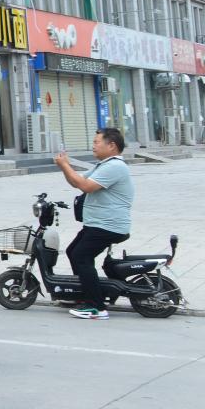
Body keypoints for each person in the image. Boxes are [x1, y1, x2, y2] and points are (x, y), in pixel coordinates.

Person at [53, 127, 135, 320]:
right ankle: (83, 295)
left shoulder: (115, 166)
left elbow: (86, 186)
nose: (93, 146)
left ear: (112, 145)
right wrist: (64, 167)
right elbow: (78, 181)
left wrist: (65, 165)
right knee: (74, 252)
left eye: (97, 142)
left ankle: (96, 307)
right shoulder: (104, 165)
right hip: (98, 224)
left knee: (81, 256)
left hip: (109, 225)